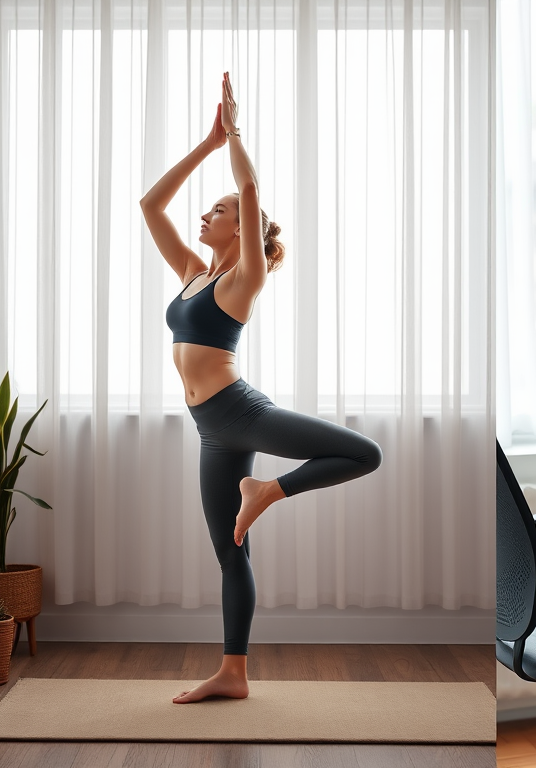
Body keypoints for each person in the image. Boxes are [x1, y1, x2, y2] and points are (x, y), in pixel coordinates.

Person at [140, 72, 382, 704]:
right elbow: (149, 206)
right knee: (229, 551)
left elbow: (249, 187)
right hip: (209, 431)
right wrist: (206, 141)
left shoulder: (241, 281)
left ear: (242, 225)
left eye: (217, 209)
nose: (206, 212)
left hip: (238, 412)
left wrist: (236, 137)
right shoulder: (194, 273)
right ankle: (234, 673)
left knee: (364, 453)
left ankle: (268, 488)